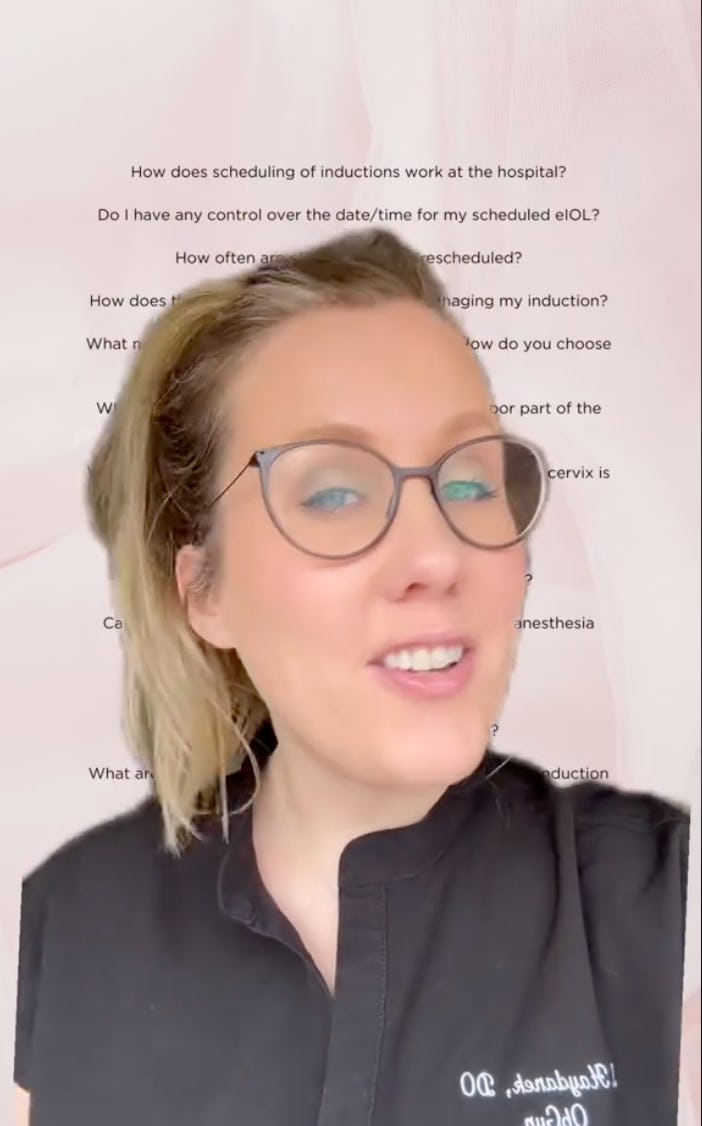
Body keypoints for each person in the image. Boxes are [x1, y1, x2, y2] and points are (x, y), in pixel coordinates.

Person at [14, 228, 688, 1126]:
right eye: (333, 494)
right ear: (203, 592)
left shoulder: (654, 901)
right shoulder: (70, 921)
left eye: (471, 482)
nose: (437, 557)